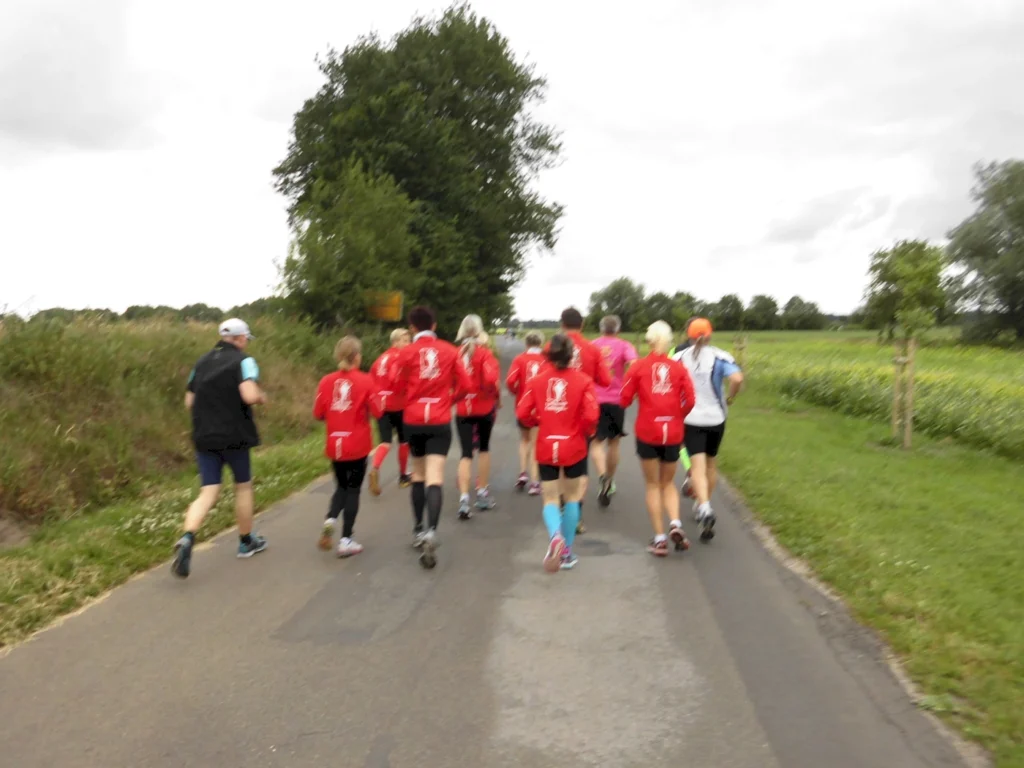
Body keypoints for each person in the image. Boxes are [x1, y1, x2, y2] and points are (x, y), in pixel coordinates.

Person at [171, 318, 268, 579]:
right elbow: (249, 395)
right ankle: (246, 542)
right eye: (246, 338)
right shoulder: (243, 361)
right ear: (239, 338)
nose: (246, 342)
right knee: (243, 487)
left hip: (204, 436)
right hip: (235, 436)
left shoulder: (200, 363)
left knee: (208, 491)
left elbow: (189, 401)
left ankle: (187, 537)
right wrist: (261, 397)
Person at [386, 306, 473, 568]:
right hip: (439, 419)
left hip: (413, 420)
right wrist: (450, 400)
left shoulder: (406, 352)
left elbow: (394, 384)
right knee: (435, 477)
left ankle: (417, 530)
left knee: (418, 474)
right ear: (434, 326)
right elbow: (467, 385)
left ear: (412, 328)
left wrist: (409, 397)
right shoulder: (449, 350)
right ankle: (432, 532)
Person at [516, 334, 600, 573]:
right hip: (573, 444)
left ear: (549, 356)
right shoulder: (583, 380)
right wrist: (585, 430)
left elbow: (522, 413)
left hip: (546, 442)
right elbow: (592, 415)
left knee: (550, 498)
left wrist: (537, 421)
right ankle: (567, 553)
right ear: (571, 355)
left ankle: (555, 535)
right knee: (572, 497)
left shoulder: (537, 381)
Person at [620, 321, 696, 556]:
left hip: (648, 431)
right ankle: (675, 523)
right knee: (668, 483)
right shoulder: (678, 368)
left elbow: (624, 399)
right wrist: (678, 415)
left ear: (649, 341)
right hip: (672, 431)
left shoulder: (638, 367)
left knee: (653, 485)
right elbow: (690, 399)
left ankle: (660, 539)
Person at [671, 317, 744, 540]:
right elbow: (737, 378)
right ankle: (703, 504)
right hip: (716, 418)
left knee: (697, 466)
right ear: (710, 335)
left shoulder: (679, 357)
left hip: (691, 418)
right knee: (711, 465)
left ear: (689, 335)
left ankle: (704, 507)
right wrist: (730, 398)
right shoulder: (720, 356)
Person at [312, 336, 383, 557]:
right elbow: (378, 411)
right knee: (353, 490)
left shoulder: (326, 381)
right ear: (357, 357)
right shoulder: (366, 380)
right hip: (357, 444)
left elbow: (318, 413)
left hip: (335, 443)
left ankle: (330, 521)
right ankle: (346, 540)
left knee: (341, 487)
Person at [545, 307, 612, 534]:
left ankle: (561, 503)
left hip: (555, 411)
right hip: (582, 413)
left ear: (561, 324)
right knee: (579, 465)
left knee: (558, 462)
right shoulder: (592, 349)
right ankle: (576, 513)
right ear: (582, 325)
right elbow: (606, 381)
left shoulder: (550, 347)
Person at [453, 315, 501, 519]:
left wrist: (456, 396)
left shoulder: (455, 353)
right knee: (483, 449)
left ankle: (464, 499)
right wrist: (494, 396)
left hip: (463, 408)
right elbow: (491, 379)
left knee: (465, 453)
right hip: (483, 407)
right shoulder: (484, 353)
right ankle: (481, 493)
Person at [591, 315, 638, 507]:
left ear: (601, 328)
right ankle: (609, 480)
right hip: (616, 399)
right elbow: (634, 364)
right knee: (614, 442)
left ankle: (602, 475)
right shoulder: (624, 345)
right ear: (618, 329)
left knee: (596, 443)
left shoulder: (592, 345)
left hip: (594, 399)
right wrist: (628, 383)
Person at [368, 328, 413, 495]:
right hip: (398, 404)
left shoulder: (379, 359)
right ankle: (403, 476)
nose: (409, 343)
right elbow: (397, 379)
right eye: (405, 340)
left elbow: (371, 382)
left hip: (381, 405)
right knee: (404, 441)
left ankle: (375, 468)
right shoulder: (400, 358)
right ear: (395, 342)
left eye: (409, 340)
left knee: (385, 442)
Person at [505, 330, 546, 495]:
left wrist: (516, 392)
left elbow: (510, 380)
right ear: (541, 343)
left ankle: (523, 473)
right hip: (541, 407)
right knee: (536, 443)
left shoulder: (520, 359)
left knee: (524, 440)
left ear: (526, 343)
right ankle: (535, 482)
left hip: (523, 404)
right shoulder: (546, 360)